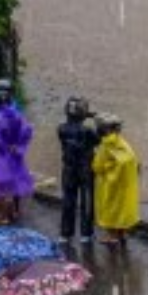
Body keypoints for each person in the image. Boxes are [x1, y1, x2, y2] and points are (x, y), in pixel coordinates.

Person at [57, 96, 98, 245]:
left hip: (68, 168)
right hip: (85, 168)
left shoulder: (61, 129)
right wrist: (93, 117)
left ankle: (65, 233)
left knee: (68, 200)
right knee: (86, 200)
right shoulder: (87, 130)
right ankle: (86, 234)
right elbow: (99, 138)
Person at [92, 118, 139, 247]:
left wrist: (103, 167)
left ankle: (112, 237)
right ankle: (121, 235)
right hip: (125, 185)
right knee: (121, 211)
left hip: (110, 185)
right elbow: (131, 160)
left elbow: (97, 166)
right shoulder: (122, 143)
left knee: (110, 210)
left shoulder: (106, 146)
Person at [0, 99, 35, 226]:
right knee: (15, 184)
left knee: (0, 188)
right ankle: (15, 212)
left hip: (1, 156)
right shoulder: (18, 116)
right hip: (15, 155)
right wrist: (18, 147)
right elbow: (27, 131)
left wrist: (1, 147)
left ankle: (4, 217)